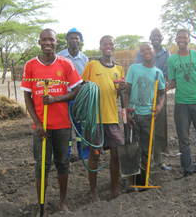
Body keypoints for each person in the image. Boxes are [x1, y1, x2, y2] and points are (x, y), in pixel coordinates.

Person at [20, 28, 82, 214]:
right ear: (39, 42)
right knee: (41, 165)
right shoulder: (30, 65)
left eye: (51, 40)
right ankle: (41, 204)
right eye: (44, 40)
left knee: (63, 163)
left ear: (56, 42)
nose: (47, 43)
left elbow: (76, 90)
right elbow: (27, 97)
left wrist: (56, 99)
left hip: (62, 125)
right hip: (41, 127)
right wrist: (38, 123)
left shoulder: (66, 64)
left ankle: (63, 202)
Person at [82, 35, 125, 201]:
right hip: (95, 119)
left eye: (111, 44)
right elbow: (82, 87)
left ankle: (115, 187)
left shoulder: (119, 69)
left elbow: (120, 93)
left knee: (116, 154)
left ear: (113, 47)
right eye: (105, 43)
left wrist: (123, 91)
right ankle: (93, 191)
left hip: (112, 118)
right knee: (95, 155)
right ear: (100, 46)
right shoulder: (92, 65)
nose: (108, 46)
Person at [166, 29, 196, 177]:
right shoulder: (172, 60)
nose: (181, 39)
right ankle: (187, 167)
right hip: (181, 104)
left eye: (184, 37)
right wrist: (162, 90)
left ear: (188, 39)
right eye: (179, 37)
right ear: (176, 40)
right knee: (183, 137)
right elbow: (173, 82)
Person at [126, 43, 166, 185]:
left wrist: (159, 107)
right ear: (140, 54)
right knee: (132, 148)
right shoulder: (134, 69)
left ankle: (144, 179)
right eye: (143, 50)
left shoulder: (158, 73)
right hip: (134, 115)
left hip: (149, 116)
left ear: (154, 51)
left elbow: (162, 94)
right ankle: (131, 181)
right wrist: (127, 112)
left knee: (146, 148)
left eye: (148, 49)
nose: (146, 52)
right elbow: (127, 90)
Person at [135, 28, 171, 170]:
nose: (156, 38)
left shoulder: (166, 53)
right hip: (144, 94)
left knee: (159, 129)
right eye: (153, 36)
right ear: (150, 38)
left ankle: (159, 160)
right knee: (143, 129)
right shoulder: (141, 52)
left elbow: (167, 74)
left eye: (158, 36)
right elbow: (138, 71)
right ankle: (144, 162)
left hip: (159, 93)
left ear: (162, 38)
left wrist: (163, 85)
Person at [58, 28, 89, 161]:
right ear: (67, 40)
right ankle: (67, 153)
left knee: (80, 127)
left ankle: (83, 154)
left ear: (80, 41)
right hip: (64, 97)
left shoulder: (84, 58)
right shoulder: (60, 57)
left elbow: (86, 78)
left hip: (80, 98)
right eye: (71, 38)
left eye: (77, 38)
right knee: (65, 127)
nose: (74, 40)